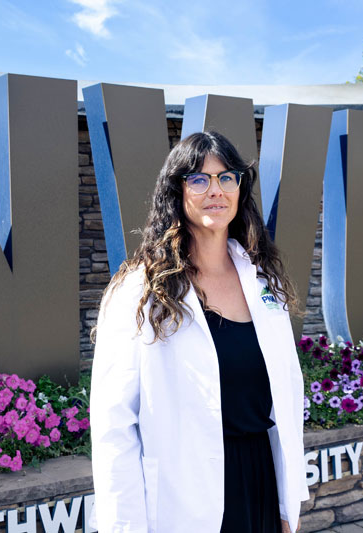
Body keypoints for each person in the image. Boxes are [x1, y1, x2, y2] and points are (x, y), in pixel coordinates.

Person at [90, 131, 308, 533]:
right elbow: (113, 423)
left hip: (258, 481)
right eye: (199, 179)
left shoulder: (260, 280)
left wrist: (287, 499)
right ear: (177, 190)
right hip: (182, 498)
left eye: (227, 177)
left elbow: (286, 392)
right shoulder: (140, 290)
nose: (216, 190)